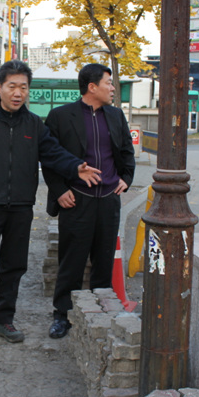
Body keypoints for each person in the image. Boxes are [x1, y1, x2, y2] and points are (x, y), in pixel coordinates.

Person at [0, 60, 102, 357]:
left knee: (14, 267)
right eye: (12, 87)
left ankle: (4, 321)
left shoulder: (34, 125)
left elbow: (53, 153)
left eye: (23, 88)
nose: (18, 93)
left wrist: (75, 167)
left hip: (20, 208)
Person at [42, 63, 136, 339]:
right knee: (71, 262)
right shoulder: (60, 116)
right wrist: (60, 190)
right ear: (92, 87)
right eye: (108, 82)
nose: (112, 88)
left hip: (108, 199)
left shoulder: (116, 116)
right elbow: (49, 158)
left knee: (104, 262)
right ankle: (62, 315)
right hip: (76, 200)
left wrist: (126, 178)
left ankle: (101, 313)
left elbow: (126, 151)